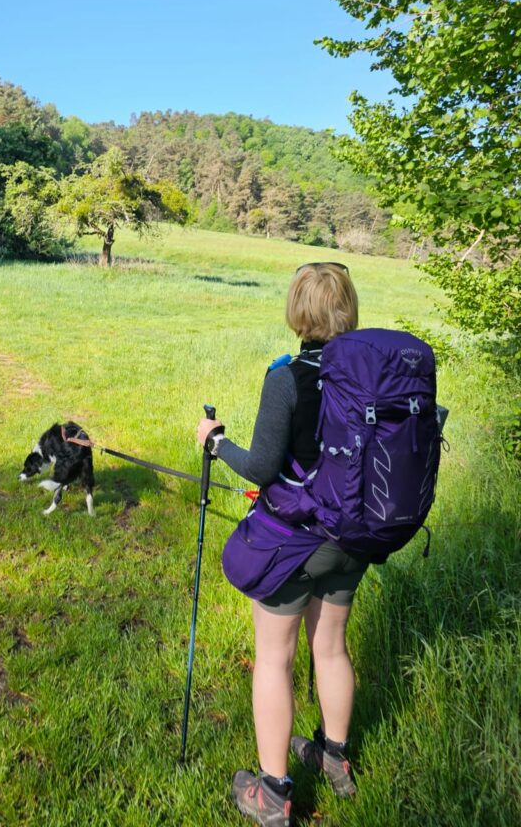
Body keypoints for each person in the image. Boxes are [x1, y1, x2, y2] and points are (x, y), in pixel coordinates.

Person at [196, 262, 368, 827]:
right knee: (332, 649)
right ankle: (336, 762)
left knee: (274, 658)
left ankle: (271, 795)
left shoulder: (288, 377)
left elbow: (265, 468)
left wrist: (216, 443)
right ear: (348, 308)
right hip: (353, 535)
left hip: (296, 541)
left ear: (299, 310)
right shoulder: (370, 375)